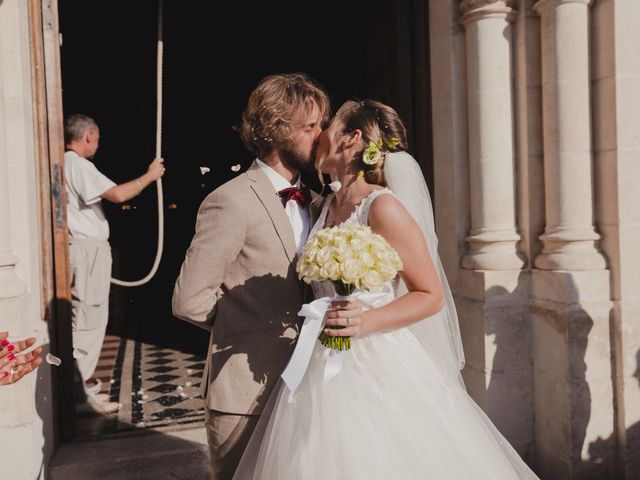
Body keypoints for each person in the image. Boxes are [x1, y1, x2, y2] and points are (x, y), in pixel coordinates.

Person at [233, 100, 541, 479]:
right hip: (321, 359)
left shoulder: (382, 207)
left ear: (352, 139)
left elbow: (430, 295)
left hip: (376, 363)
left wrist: (365, 320)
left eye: (329, 125)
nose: (319, 134)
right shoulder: (326, 203)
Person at [172, 73, 331, 479]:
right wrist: (246, 324)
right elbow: (189, 300)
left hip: (311, 391)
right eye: (311, 127)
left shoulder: (320, 203)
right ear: (277, 129)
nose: (322, 136)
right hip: (244, 398)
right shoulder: (230, 200)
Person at [64, 114, 165, 415]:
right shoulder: (78, 165)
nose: (97, 143)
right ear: (88, 136)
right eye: (96, 137)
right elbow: (119, 194)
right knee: (88, 320)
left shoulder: (65, 164)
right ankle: (78, 396)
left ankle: (76, 387)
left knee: (84, 317)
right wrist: (150, 175)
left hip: (82, 251)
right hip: (86, 251)